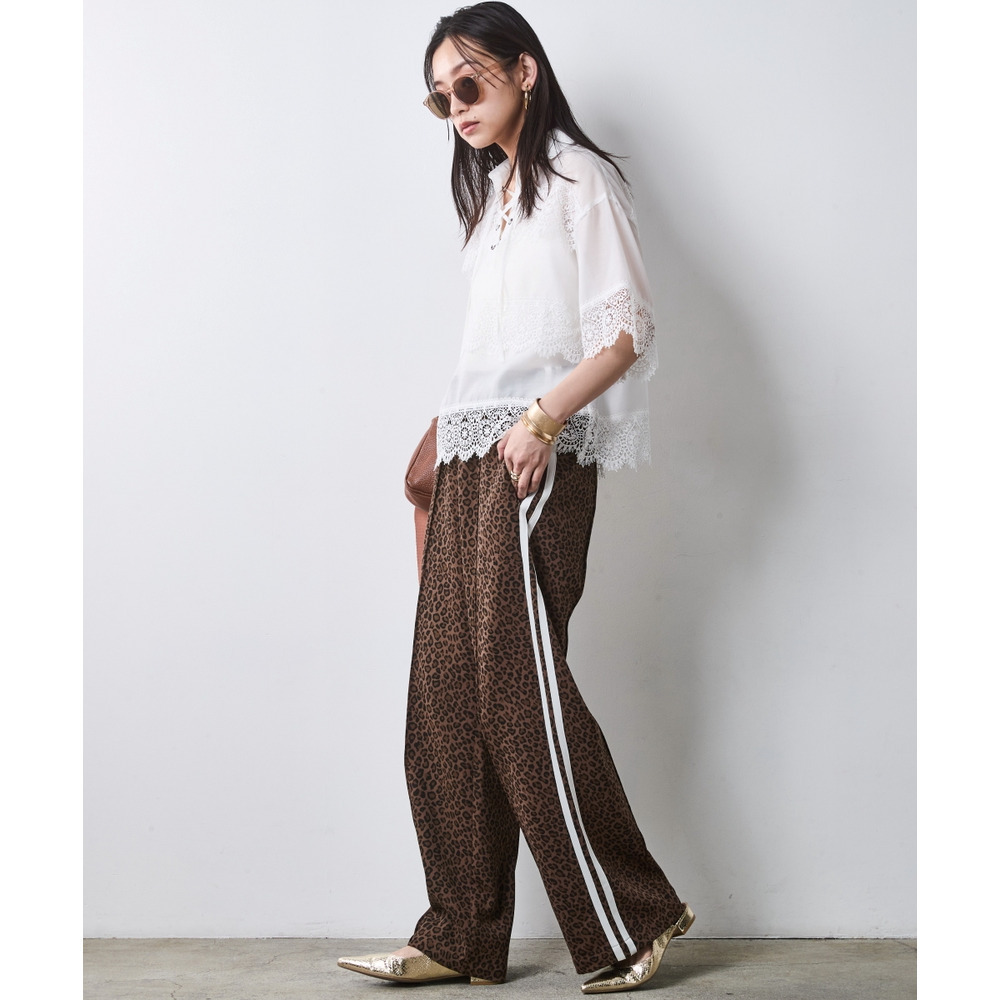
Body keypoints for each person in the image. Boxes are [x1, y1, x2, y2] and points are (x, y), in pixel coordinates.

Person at [338, 2, 693, 992]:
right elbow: (496, 347)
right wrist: (439, 453)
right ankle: (460, 930)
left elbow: (623, 333)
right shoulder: (497, 194)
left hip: (537, 452)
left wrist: (540, 422)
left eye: (470, 82)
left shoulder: (580, 178)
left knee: (516, 687)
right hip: (471, 454)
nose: (455, 106)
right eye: (439, 95)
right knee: (442, 695)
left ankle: (633, 914)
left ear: (524, 71)